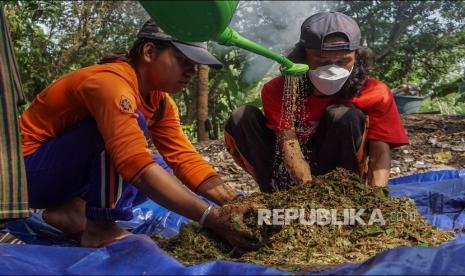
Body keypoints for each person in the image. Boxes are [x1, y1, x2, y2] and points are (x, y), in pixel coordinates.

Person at [20, 20, 258, 249]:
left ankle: (70, 212)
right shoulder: (110, 84)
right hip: (26, 175)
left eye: (194, 66)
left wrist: (234, 201)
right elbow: (132, 162)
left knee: (161, 166)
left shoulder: (160, 103)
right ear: (149, 51)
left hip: (62, 177)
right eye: (183, 60)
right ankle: (100, 227)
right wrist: (210, 217)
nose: (190, 72)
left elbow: (184, 158)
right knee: (128, 150)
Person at [224, 12, 409, 193]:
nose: (333, 68)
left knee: (342, 114)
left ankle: (346, 192)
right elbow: (288, 142)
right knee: (242, 117)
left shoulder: (375, 92)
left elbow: (380, 152)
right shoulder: (280, 89)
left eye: (343, 61)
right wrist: (309, 194)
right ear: (304, 57)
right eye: (322, 60)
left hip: (341, 173)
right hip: (289, 171)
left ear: (357, 57)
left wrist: (376, 200)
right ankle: (276, 193)